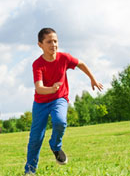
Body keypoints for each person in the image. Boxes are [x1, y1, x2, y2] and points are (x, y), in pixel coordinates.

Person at [25, 28, 104, 174]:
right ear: (40, 45)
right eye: (49, 42)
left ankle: (55, 146)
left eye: (55, 41)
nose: (53, 44)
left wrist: (92, 78)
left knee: (60, 121)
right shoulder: (38, 64)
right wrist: (52, 89)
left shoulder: (64, 58)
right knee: (36, 137)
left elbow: (80, 63)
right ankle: (30, 169)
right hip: (41, 103)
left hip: (59, 99)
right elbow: (39, 88)